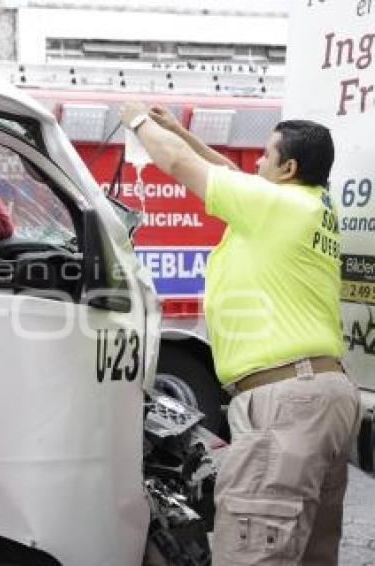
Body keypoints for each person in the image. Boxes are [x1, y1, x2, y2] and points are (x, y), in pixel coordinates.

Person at [119, 103, 360, 565]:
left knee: (254, 548)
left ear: (287, 169)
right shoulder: (309, 206)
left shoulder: (276, 205)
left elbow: (177, 166)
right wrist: (179, 130)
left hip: (287, 401)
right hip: (324, 394)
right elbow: (228, 170)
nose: (256, 163)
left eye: (266, 156)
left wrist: (137, 121)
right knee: (310, 552)